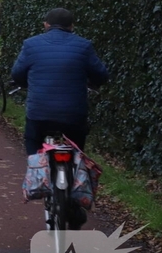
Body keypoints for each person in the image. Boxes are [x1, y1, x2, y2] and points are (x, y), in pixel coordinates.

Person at [12, 8, 109, 155]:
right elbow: (101, 75)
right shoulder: (84, 46)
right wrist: (92, 83)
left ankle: (35, 170)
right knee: (76, 147)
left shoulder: (31, 44)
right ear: (71, 26)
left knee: (33, 141)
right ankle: (75, 171)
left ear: (46, 24)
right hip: (73, 113)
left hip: (39, 112)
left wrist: (27, 84)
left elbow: (17, 74)